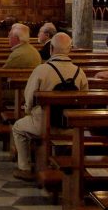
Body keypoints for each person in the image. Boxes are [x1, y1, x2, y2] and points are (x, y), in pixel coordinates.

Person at [12, 32, 88, 181]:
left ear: (51, 49)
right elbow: (84, 100)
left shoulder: (42, 70)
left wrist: (28, 112)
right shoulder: (80, 72)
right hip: (70, 125)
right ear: (69, 49)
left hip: (43, 122)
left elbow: (29, 97)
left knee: (18, 128)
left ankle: (24, 167)